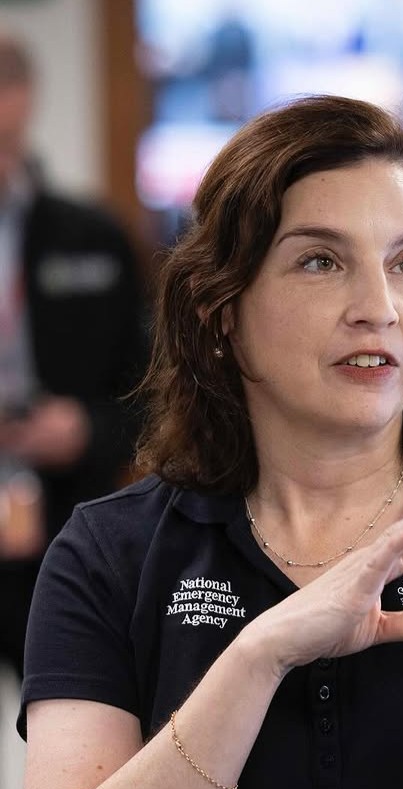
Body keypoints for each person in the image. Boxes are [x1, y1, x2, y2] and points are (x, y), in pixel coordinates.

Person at [19, 95, 403, 789]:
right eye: (320, 261)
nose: (378, 306)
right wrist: (258, 657)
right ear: (221, 310)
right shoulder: (107, 556)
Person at [0, 31, 145, 681]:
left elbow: (152, 394)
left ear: (24, 97)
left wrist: (87, 428)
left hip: (65, 525)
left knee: (72, 722)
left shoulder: (93, 238)